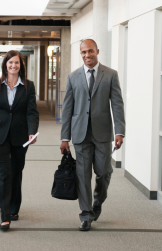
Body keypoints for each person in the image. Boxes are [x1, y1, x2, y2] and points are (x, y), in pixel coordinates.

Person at [60, 39, 125, 231]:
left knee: (104, 173)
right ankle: (86, 215)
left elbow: (117, 104)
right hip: (80, 134)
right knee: (82, 174)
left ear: (97, 50)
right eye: (83, 52)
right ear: (80, 54)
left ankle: (97, 203)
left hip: (103, 133)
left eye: (90, 51)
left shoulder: (111, 74)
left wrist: (120, 131)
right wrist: (65, 137)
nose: (87, 55)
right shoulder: (73, 77)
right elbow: (67, 109)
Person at [0, 50, 39, 231]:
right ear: (5, 64)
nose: (13, 66)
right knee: (4, 173)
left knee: (16, 172)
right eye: (10, 62)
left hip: (21, 136)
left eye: (16, 63)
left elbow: (32, 112)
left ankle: (14, 207)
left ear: (21, 65)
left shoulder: (28, 86)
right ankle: (5, 215)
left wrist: (32, 132)